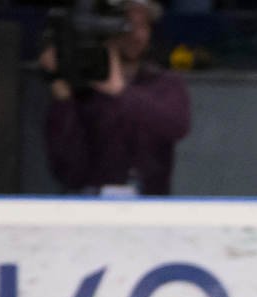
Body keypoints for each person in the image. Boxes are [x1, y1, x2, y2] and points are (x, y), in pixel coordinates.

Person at [42, 0, 190, 196]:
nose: (135, 34)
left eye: (142, 26)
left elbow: (176, 126)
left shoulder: (164, 83)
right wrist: (62, 95)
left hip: (149, 204)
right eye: (127, 25)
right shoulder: (82, 87)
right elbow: (66, 167)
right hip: (88, 203)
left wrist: (121, 92)